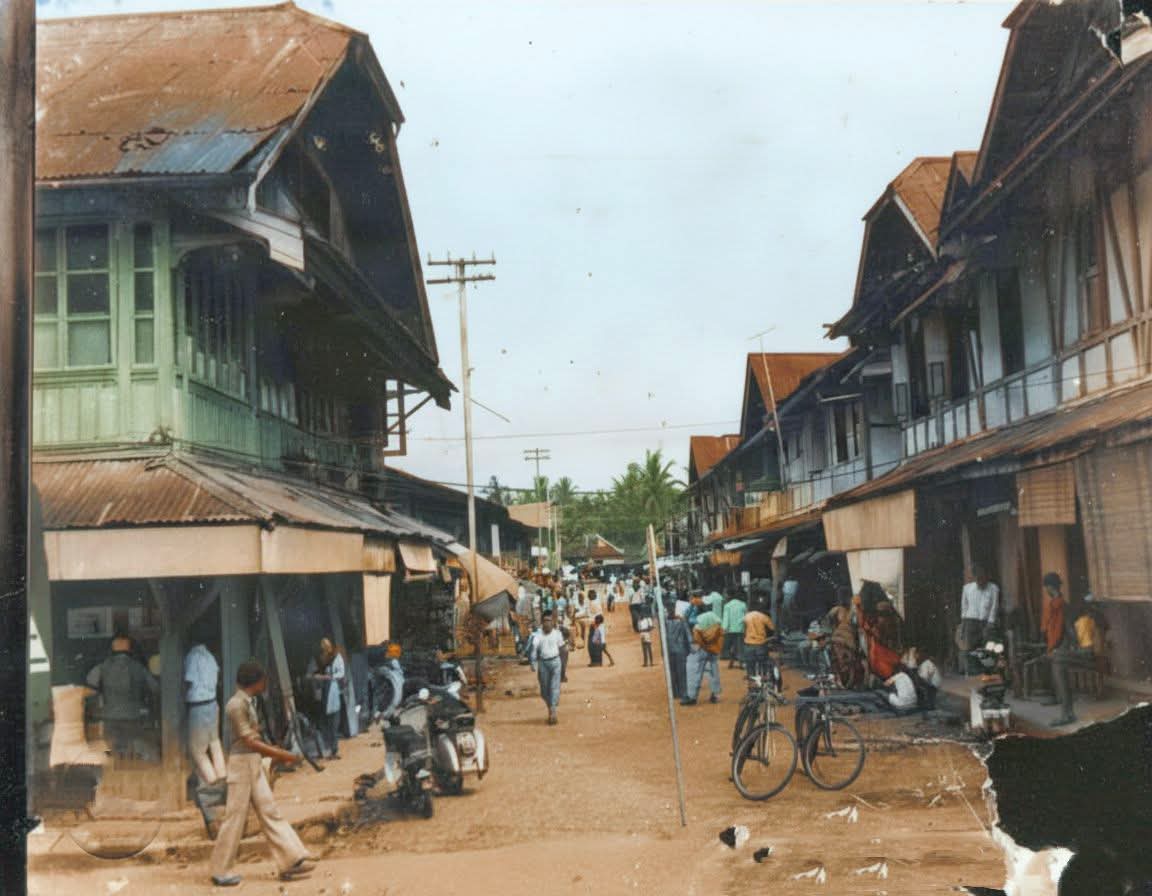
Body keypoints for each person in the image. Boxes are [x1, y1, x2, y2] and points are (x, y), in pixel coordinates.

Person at [209, 661, 315, 887]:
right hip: (242, 764)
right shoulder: (236, 705)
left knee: (269, 810)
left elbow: (254, 739)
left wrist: (275, 753)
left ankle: (291, 859)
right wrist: (283, 754)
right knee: (235, 818)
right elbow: (249, 741)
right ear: (256, 682)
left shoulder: (247, 702)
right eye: (263, 680)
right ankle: (220, 870)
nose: (265, 684)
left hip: (252, 762)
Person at [87, 634, 159, 761]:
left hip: (110, 716)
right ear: (130, 650)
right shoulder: (138, 667)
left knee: (112, 750)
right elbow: (154, 687)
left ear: (112, 650)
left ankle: (115, 774)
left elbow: (90, 683)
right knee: (132, 750)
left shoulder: (102, 666)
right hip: (133, 716)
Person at [1041, 572, 1082, 727]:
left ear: (1050, 587)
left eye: (1046, 587)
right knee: (1059, 677)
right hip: (1059, 646)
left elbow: (1069, 629)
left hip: (1062, 647)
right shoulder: (1057, 604)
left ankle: (1066, 715)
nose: (1045, 590)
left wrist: (1066, 647)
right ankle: (1068, 712)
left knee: (1060, 676)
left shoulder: (1061, 605)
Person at [185, 642, 226, 786]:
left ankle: (212, 782)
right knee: (214, 742)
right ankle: (222, 777)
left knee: (196, 750)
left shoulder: (192, 656)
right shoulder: (210, 657)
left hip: (198, 706)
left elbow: (188, 681)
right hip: (213, 704)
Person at [308, 638, 346, 760]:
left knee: (334, 721)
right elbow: (310, 675)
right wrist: (317, 678)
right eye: (323, 646)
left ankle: (333, 750)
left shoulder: (336, 657)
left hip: (332, 691)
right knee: (325, 722)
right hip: (322, 692)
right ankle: (328, 749)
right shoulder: (318, 659)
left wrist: (328, 677)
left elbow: (341, 673)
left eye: (326, 645)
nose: (325, 648)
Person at [527, 612, 566, 725]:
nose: (547, 623)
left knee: (554, 687)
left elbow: (563, 649)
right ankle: (551, 707)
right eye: (545, 621)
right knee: (544, 691)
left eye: (549, 620)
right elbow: (534, 649)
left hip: (555, 662)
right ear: (542, 622)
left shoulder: (557, 634)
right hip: (543, 663)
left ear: (553, 622)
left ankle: (553, 711)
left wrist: (563, 666)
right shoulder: (538, 635)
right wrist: (533, 663)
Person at [961, 565, 1000, 673]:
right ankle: (975, 672)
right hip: (971, 621)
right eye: (978, 578)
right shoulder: (967, 588)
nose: (980, 581)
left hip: (986, 621)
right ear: (974, 578)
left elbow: (994, 606)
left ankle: (989, 670)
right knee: (972, 648)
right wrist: (963, 624)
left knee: (988, 646)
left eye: (982, 578)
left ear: (987, 577)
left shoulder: (993, 588)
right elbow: (964, 607)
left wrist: (990, 622)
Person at [683, 603, 723, 706]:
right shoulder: (715, 617)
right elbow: (721, 630)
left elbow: (696, 636)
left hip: (703, 649)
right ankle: (715, 695)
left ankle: (693, 697)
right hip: (714, 648)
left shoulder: (699, 619)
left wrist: (703, 645)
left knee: (698, 672)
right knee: (714, 672)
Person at [742, 602, 775, 680]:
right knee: (763, 662)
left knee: (750, 664)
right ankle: (763, 677)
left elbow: (743, 628)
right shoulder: (764, 616)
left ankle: (751, 679)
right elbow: (772, 629)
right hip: (761, 643)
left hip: (748, 643)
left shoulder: (747, 616)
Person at [665, 607, 692, 700]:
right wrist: (689, 649)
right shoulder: (681, 622)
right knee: (682, 672)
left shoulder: (665, 624)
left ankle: (674, 692)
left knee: (672, 672)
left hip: (669, 650)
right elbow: (688, 636)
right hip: (681, 650)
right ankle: (683, 692)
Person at [721, 590, 747, 669]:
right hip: (740, 628)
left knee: (732, 646)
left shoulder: (727, 605)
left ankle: (731, 661)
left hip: (730, 630)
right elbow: (746, 617)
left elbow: (726, 618)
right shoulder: (743, 604)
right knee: (740, 646)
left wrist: (724, 628)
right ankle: (741, 663)